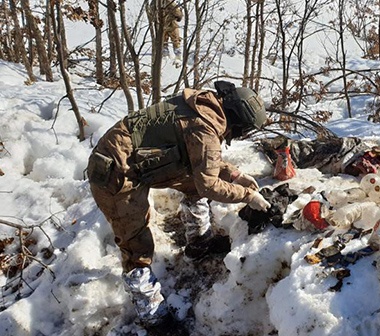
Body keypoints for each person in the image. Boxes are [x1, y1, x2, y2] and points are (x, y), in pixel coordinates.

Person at [86, 81, 270, 328]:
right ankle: (153, 316)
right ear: (236, 118)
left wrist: (234, 175)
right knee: (136, 245)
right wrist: (247, 196)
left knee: (193, 185)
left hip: (142, 159)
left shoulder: (205, 108)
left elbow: (201, 159)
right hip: (116, 170)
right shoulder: (204, 126)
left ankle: (198, 243)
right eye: (243, 129)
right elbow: (209, 184)